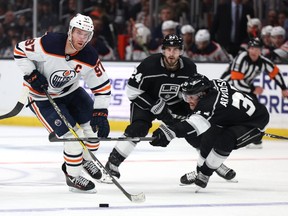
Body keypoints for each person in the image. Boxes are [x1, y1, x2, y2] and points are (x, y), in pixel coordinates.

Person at [104, 34, 236, 182]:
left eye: (175, 50)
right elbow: (132, 92)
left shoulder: (190, 67)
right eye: (168, 50)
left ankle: (212, 163)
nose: (171, 54)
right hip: (146, 102)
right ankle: (112, 163)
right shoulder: (148, 65)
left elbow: (193, 89)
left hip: (174, 104)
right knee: (138, 129)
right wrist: (154, 105)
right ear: (163, 50)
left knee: (192, 129)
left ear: (181, 51)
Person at [14, 13, 111, 193]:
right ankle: (72, 177)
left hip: (72, 93)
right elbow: (19, 51)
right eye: (79, 33)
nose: (82, 38)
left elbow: (102, 88)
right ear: (70, 31)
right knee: (73, 139)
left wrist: (101, 113)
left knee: (92, 135)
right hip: (42, 98)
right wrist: (32, 74)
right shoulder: (48, 43)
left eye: (86, 34)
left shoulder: (89, 55)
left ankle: (86, 160)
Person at [150, 74, 270, 190]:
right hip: (230, 116)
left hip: (255, 121)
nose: (188, 100)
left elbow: (191, 126)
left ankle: (204, 173)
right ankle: (207, 168)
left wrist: (168, 132)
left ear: (202, 94)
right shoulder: (213, 84)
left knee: (225, 139)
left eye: (191, 97)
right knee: (204, 135)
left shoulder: (209, 106)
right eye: (186, 96)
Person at [221, 37, 288, 148]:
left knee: (253, 111)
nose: (254, 51)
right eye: (251, 48)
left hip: (244, 88)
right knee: (238, 112)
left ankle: (253, 139)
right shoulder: (241, 59)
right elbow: (236, 83)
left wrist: (284, 88)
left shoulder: (263, 62)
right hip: (227, 88)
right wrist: (253, 90)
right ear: (248, 49)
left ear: (261, 50)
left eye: (257, 49)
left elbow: (275, 73)